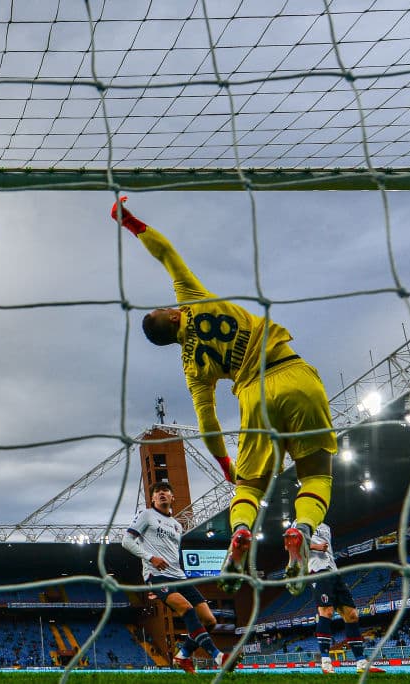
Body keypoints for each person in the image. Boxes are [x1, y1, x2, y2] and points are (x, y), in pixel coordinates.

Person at [112, 198, 337, 596]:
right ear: (174, 314)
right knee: (316, 475)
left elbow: (208, 423)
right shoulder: (194, 299)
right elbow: (165, 252)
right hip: (294, 372)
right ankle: (303, 529)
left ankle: (242, 532)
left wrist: (223, 463)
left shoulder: (192, 367)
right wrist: (128, 221)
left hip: (253, 397)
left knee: (248, 487)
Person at [121, 481, 227, 673]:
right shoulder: (146, 515)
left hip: (179, 576)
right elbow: (126, 541)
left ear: (172, 497)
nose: (161, 494)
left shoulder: (177, 526)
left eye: (165, 491)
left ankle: (183, 655)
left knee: (210, 620)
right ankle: (218, 656)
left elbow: (173, 554)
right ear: (152, 498)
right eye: (157, 492)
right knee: (186, 609)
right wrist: (150, 558)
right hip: (158, 575)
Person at [307, 522, 382, 674]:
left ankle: (361, 663)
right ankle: (326, 662)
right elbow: (290, 545)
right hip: (318, 570)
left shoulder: (326, 526)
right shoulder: (300, 522)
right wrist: (316, 547)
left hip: (334, 572)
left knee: (352, 615)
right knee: (327, 612)